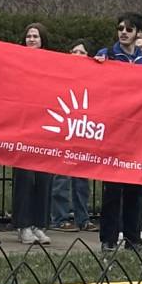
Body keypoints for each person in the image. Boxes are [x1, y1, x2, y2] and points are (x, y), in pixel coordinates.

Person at [93, 13, 142, 251]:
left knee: (137, 189)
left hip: (137, 134)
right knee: (113, 189)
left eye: (129, 29)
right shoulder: (106, 55)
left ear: (138, 33)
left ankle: (132, 237)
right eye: (120, 28)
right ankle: (108, 239)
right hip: (113, 131)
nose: (124, 32)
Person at [11, 24, 55, 247]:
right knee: (25, 178)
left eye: (35, 36)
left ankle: (39, 224)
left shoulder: (53, 63)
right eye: (27, 35)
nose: (31, 39)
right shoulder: (17, 61)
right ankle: (23, 224)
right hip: (24, 127)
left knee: (44, 179)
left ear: (42, 39)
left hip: (47, 127)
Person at [51, 42, 93, 230]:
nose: (77, 54)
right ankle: (59, 218)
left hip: (83, 129)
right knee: (61, 177)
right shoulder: (60, 74)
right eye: (74, 51)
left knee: (82, 179)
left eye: (82, 52)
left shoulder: (93, 77)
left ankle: (83, 218)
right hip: (64, 129)